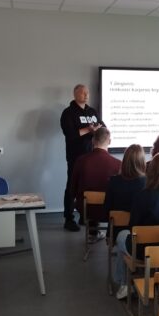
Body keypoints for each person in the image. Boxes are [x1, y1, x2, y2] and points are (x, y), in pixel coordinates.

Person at [113, 153, 159, 300]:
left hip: (142, 252)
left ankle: (124, 284)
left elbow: (133, 227)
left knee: (121, 236)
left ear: (150, 172)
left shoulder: (141, 196)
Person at [60, 84, 104, 231]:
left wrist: (98, 130)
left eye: (87, 93)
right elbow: (70, 134)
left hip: (92, 156)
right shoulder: (68, 113)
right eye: (82, 93)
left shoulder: (92, 111)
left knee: (89, 187)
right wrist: (88, 129)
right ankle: (69, 219)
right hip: (75, 156)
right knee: (72, 187)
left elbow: (102, 127)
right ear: (75, 94)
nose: (86, 95)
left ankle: (85, 217)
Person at [70, 127, 121, 237]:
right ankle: (112, 237)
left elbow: (73, 188)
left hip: (86, 209)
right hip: (108, 211)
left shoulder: (80, 161)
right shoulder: (118, 164)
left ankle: (92, 233)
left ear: (93, 141)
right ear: (109, 141)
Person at [104, 144, 146, 243]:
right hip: (141, 235)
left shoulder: (113, 181)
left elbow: (107, 211)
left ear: (125, 161)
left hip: (116, 232)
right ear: (142, 162)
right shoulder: (148, 183)